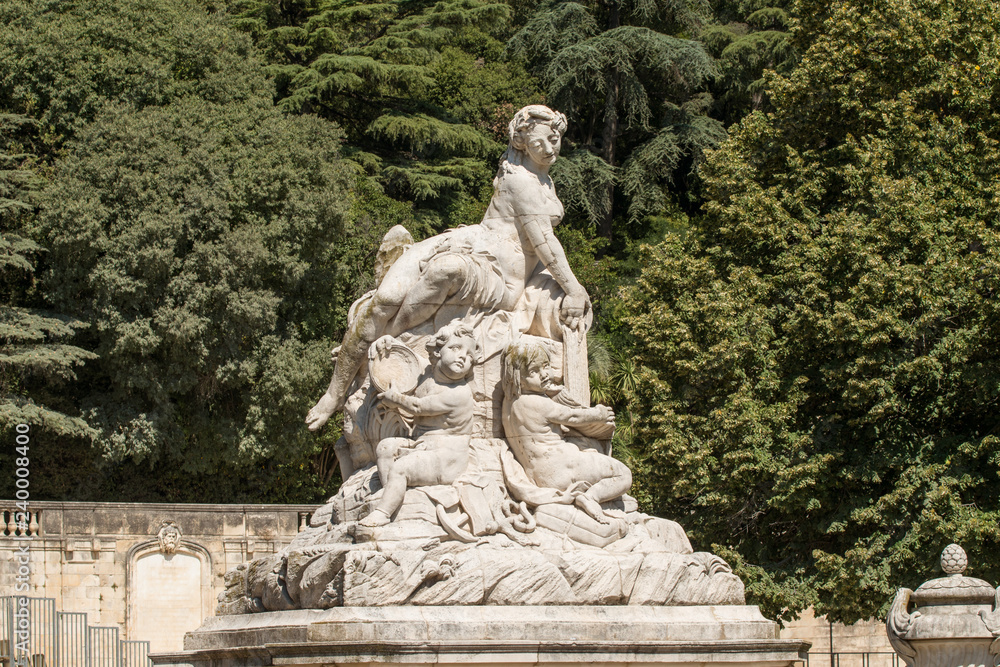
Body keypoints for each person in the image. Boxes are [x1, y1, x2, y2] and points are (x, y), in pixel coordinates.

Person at [306, 105, 590, 431]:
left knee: (448, 270)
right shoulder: (516, 178)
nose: (553, 148)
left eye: (557, 141)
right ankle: (334, 391)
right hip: (472, 242)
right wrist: (574, 287)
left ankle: (389, 338)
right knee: (384, 298)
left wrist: (574, 288)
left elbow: (545, 243)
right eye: (546, 140)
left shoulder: (539, 184)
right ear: (523, 139)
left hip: (499, 277)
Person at [359, 322, 479, 527]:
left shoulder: (459, 393)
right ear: (438, 352)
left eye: (469, 355)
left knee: (401, 468)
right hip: (423, 445)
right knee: (385, 448)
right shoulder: (428, 372)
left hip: (447, 457)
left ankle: (383, 513)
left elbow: (418, 406)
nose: (462, 357)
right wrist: (388, 342)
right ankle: (393, 496)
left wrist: (395, 399)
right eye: (455, 348)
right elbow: (405, 360)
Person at [500, 339, 630, 524]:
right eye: (534, 371)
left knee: (591, 449)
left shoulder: (509, 403)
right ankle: (591, 497)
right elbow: (572, 417)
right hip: (562, 469)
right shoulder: (537, 403)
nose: (544, 374)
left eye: (546, 366)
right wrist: (598, 414)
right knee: (622, 473)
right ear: (516, 377)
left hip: (542, 474)